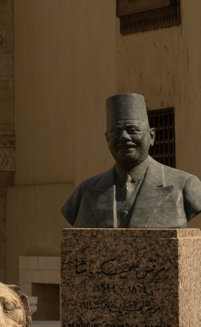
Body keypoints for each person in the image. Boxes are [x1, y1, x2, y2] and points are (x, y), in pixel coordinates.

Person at [62, 93, 201, 228]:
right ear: (107, 139)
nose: (124, 137)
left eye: (132, 130)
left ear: (151, 136)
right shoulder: (85, 191)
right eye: (116, 131)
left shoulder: (185, 185)